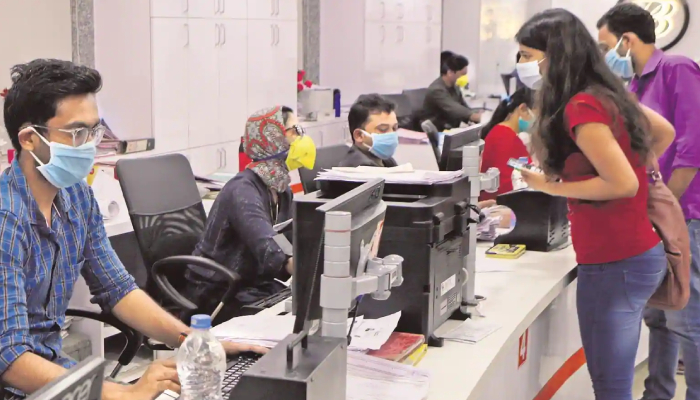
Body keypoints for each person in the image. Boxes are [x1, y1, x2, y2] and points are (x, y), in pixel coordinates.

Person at [0, 59, 266, 400]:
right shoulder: (8, 220)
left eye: (94, 131)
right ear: (29, 139)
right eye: (77, 133)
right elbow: (10, 360)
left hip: (59, 378)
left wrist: (197, 343)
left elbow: (117, 289)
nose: (90, 146)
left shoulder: (76, 198)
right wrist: (122, 394)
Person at [514, 9, 676, 399]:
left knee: (610, 387)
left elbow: (620, 184)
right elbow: (663, 133)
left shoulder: (581, 105)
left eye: (526, 54)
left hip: (614, 263)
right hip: (633, 255)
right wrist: (633, 165)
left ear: (553, 55)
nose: (521, 64)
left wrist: (551, 187)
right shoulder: (606, 93)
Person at [597, 4, 700, 399]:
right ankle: (657, 392)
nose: (603, 55)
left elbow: (692, 146)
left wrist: (666, 208)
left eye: (606, 46)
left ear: (626, 40)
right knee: (659, 313)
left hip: (685, 213)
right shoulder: (633, 86)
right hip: (654, 216)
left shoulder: (677, 69)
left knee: (688, 320)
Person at [184, 106, 315, 324]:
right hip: (216, 291)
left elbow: (289, 240)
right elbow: (268, 245)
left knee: (304, 308)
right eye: (295, 130)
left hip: (249, 283)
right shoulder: (243, 191)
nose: (302, 138)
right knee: (292, 319)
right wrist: (311, 269)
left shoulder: (281, 189)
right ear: (272, 138)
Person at [479, 87, 534, 201]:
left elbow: (518, 166)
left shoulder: (508, 135)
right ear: (523, 109)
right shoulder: (503, 137)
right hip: (500, 207)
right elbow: (506, 186)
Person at [423, 53, 481, 132]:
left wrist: (477, 114)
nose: (464, 78)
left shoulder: (455, 87)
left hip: (451, 129)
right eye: (462, 74)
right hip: (438, 130)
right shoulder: (437, 90)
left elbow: (463, 107)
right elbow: (453, 109)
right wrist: (473, 116)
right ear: (450, 72)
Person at [339, 94, 399, 168]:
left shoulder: (385, 160)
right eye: (383, 129)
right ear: (359, 135)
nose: (391, 134)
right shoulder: (362, 168)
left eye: (394, 128)